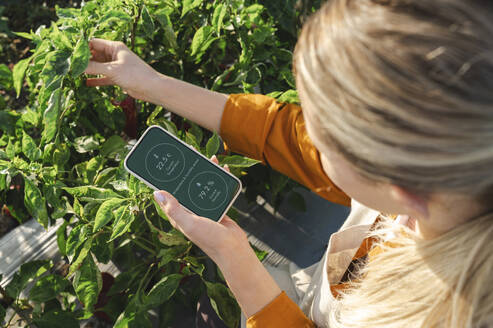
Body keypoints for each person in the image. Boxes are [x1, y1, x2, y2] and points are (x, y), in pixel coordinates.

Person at [85, 0, 493, 326]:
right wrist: (152, 83)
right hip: (313, 289)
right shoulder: (443, 180)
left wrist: (234, 259)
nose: (307, 135)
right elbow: (280, 132)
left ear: (398, 185)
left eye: (322, 134)